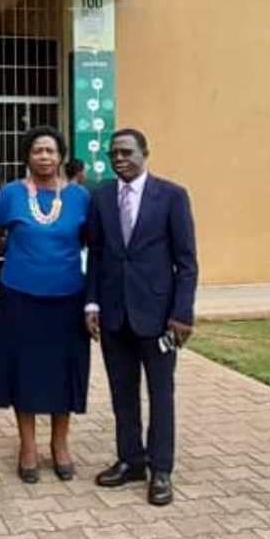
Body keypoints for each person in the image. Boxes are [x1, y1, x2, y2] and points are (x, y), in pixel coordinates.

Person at [84, 128, 198, 507]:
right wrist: (92, 305)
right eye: (114, 153)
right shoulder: (100, 197)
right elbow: (97, 255)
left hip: (159, 317)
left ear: (145, 153)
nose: (120, 159)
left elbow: (187, 262)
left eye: (127, 152)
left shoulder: (172, 196)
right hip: (115, 315)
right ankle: (131, 460)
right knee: (123, 393)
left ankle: (161, 469)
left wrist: (182, 314)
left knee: (161, 394)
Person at [0, 127, 92, 483]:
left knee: (64, 371)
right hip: (20, 296)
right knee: (24, 372)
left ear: (60, 156)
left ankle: (60, 444)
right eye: (36, 151)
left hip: (67, 297)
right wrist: (9, 250)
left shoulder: (79, 197)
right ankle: (27, 446)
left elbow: (91, 242)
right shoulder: (11, 194)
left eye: (50, 150)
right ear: (27, 157)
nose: (44, 157)